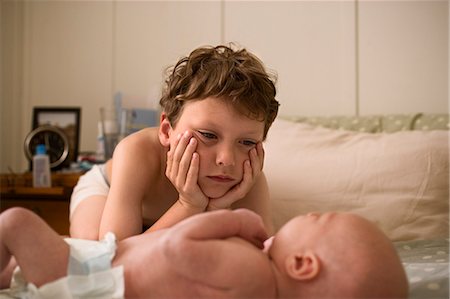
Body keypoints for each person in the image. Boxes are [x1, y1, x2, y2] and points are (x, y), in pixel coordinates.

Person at [69, 44, 280, 241]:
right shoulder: (136, 151)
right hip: (107, 190)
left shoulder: (247, 174)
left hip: (167, 221)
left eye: (247, 141)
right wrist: (188, 205)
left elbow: (262, 254)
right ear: (166, 130)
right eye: (208, 135)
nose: (226, 159)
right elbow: (116, 255)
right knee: (93, 246)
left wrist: (215, 211)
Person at [0, 207, 408, 299]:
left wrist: (231, 219)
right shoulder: (256, 283)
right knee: (22, 260)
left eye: (317, 217)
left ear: (302, 264)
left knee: (16, 222)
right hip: (94, 266)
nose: (305, 213)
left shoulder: (252, 271)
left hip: (84, 279)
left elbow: (178, 246)